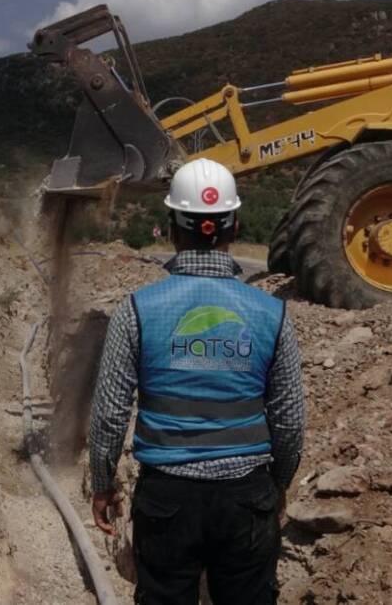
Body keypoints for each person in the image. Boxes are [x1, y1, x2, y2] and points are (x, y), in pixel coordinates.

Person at [88, 158, 305, 604]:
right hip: (247, 497)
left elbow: (109, 415)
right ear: (235, 226)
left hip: (167, 498)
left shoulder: (137, 310)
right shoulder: (273, 315)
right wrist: (276, 486)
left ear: (172, 228)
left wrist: (103, 482)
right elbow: (288, 424)